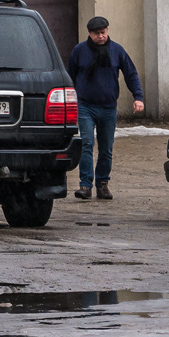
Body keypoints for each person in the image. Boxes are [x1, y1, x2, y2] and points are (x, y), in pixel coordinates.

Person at [66, 16, 144, 200]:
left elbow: (130, 73)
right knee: (86, 144)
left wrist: (138, 97)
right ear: (89, 33)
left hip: (108, 107)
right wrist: (68, 100)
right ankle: (85, 185)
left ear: (108, 30)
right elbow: (69, 76)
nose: (101, 36)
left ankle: (102, 184)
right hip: (85, 106)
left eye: (103, 32)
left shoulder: (117, 50)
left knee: (106, 148)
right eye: (97, 33)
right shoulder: (79, 51)